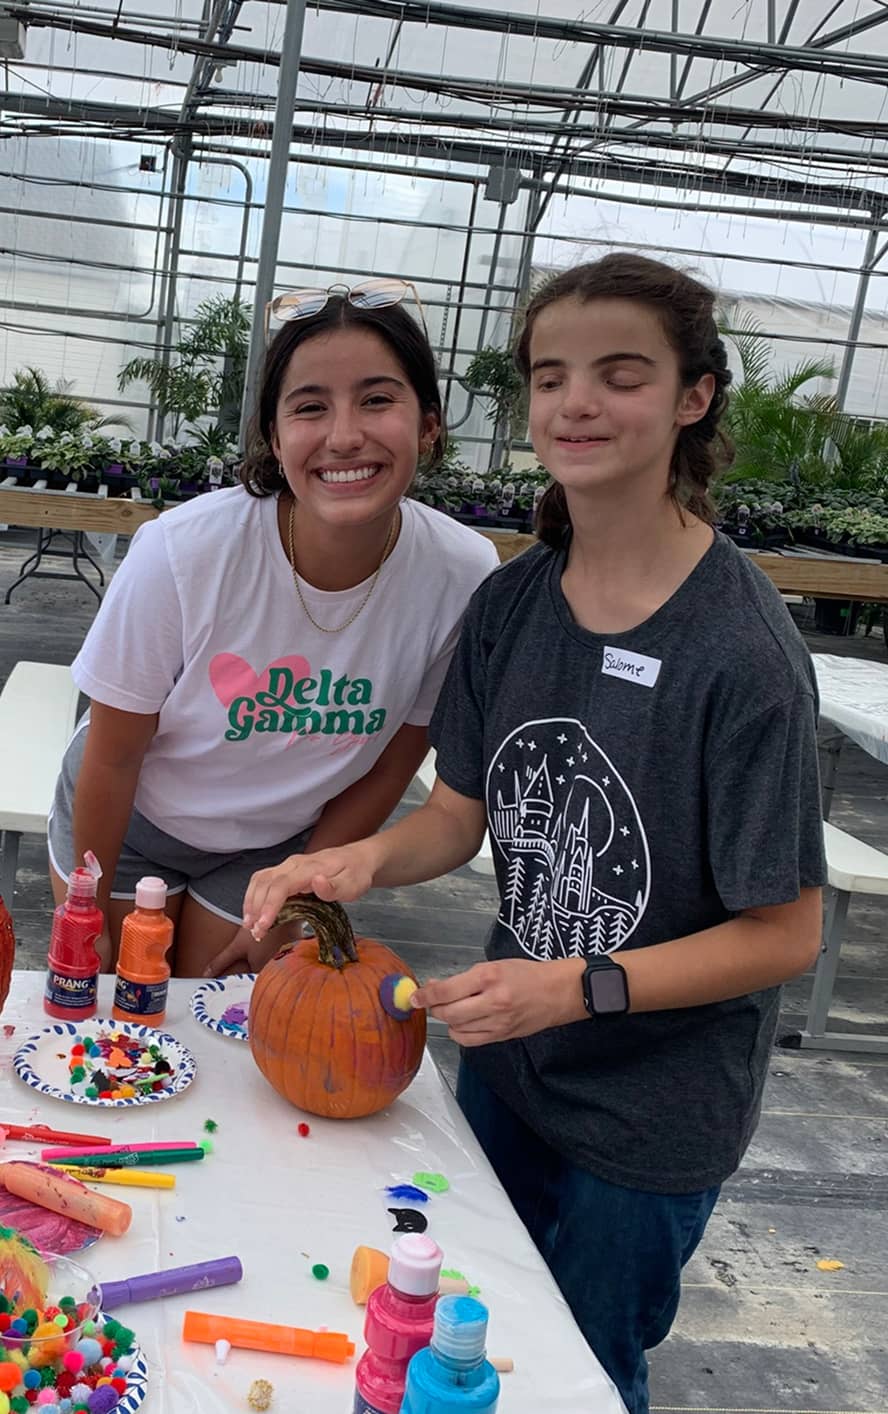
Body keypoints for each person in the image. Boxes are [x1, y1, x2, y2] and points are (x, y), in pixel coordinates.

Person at [241, 254, 826, 1413]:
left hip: (651, 1114)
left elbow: (785, 933)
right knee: (471, 1348)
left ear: (694, 397)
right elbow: (462, 814)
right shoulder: (513, 605)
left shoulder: (743, 652)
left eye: (621, 375)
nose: (577, 404)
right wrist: (357, 858)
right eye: (552, 376)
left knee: (585, 1375)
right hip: (510, 1069)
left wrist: (580, 987)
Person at [47, 277, 499, 978]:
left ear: (429, 424)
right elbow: (114, 756)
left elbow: (395, 758)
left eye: (378, 400)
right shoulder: (185, 551)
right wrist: (85, 911)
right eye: (310, 406)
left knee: (215, 1011)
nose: (344, 435)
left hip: (279, 844)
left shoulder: (461, 573)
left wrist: (302, 886)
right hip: (130, 817)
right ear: (275, 433)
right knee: (116, 1000)